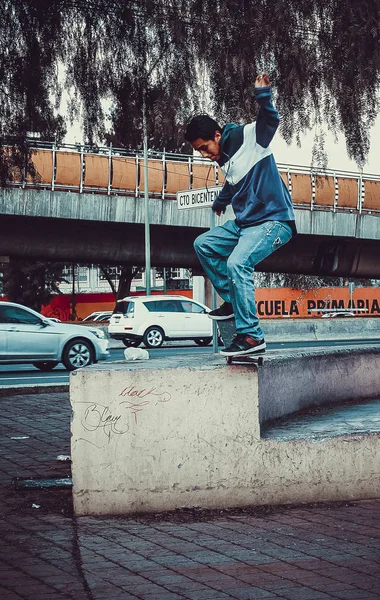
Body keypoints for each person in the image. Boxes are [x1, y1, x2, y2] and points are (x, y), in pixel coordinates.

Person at [184, 74, 296, 357]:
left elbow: (271, 121)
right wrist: (220, 202)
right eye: (199, 151)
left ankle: (251, 335)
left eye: (204, 148)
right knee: (204, 244)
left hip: (274, 221)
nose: (204, 155)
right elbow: (233, 184)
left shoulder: (250, 137)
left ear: (217, 136)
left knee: (237, 263)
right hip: (246, 224)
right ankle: (234, 301)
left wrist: (263, 94)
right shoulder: (226, 162)